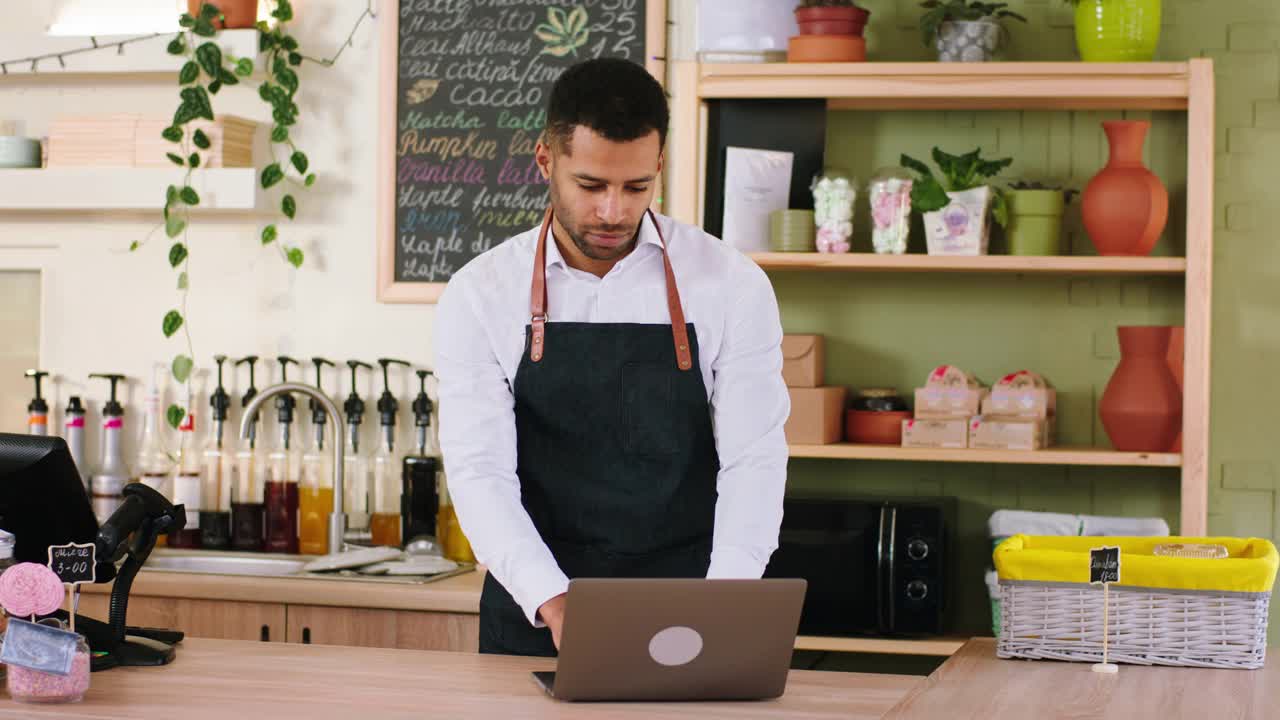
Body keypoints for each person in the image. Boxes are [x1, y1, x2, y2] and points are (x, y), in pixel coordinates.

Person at [434, 57, 789, 656]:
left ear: (659, 164)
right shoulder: (479, 294)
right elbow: (480, 474)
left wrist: (723, 600)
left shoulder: (731, 283)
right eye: (591, 186)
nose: (613, 212)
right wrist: (555, 601)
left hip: (690, 605)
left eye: (636, 188)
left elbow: (754, 462)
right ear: (546, 160)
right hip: (537, 610)